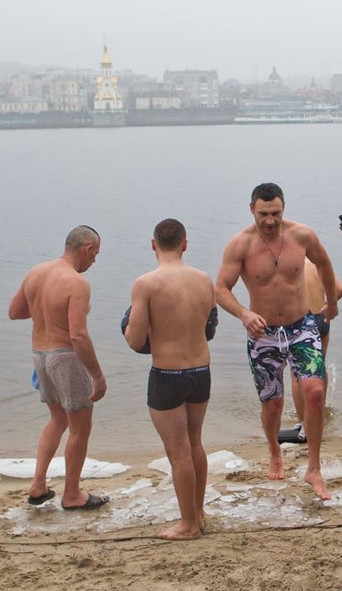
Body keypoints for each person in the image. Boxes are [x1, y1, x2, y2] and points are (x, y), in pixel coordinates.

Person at [216, 182, 339, 500]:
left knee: (315, 392)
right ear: (251, 210)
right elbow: (221, 289)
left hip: (303, 327)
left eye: (276, 213)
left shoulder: (302, 235)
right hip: (263, 333)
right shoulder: (240, 245)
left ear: (284, 208)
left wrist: (332, 303)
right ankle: (274, 450)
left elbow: (324, 263)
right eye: (263, 214)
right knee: (272, 403)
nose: (270, 220)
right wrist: (243, 314)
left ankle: (314, 468)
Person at [124, 219, 216, 540]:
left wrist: (130, 324)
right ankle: (198, 514)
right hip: (201, 372)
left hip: (168, 375)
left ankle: (188, 525)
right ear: (185, 244)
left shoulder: (146, 284)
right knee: (195, 444)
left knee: (179, 453)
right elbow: (209, 329)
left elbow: (135, 340)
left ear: (153, 245)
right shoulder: (204, 280)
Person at [8, 225, 109, 510]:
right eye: (95, 255)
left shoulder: (36, 272)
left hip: (40, 355)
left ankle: (38, 485)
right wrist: (97, 375)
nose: (94, 261)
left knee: (58, 419)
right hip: (65, 357)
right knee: (80, 427)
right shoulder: (77, 283)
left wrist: (45, 311)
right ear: (87, 249)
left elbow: (15, 312)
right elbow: (78, 336)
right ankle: (72, 494)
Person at [289, 259, 342, 439]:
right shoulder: (316, 263)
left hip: (302, 321)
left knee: (297, 373)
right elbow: (340, 290)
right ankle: (319, 412)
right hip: (321, 319)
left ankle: (303, 421)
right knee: (319, 367)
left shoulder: (289, 264)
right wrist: (329, 305)